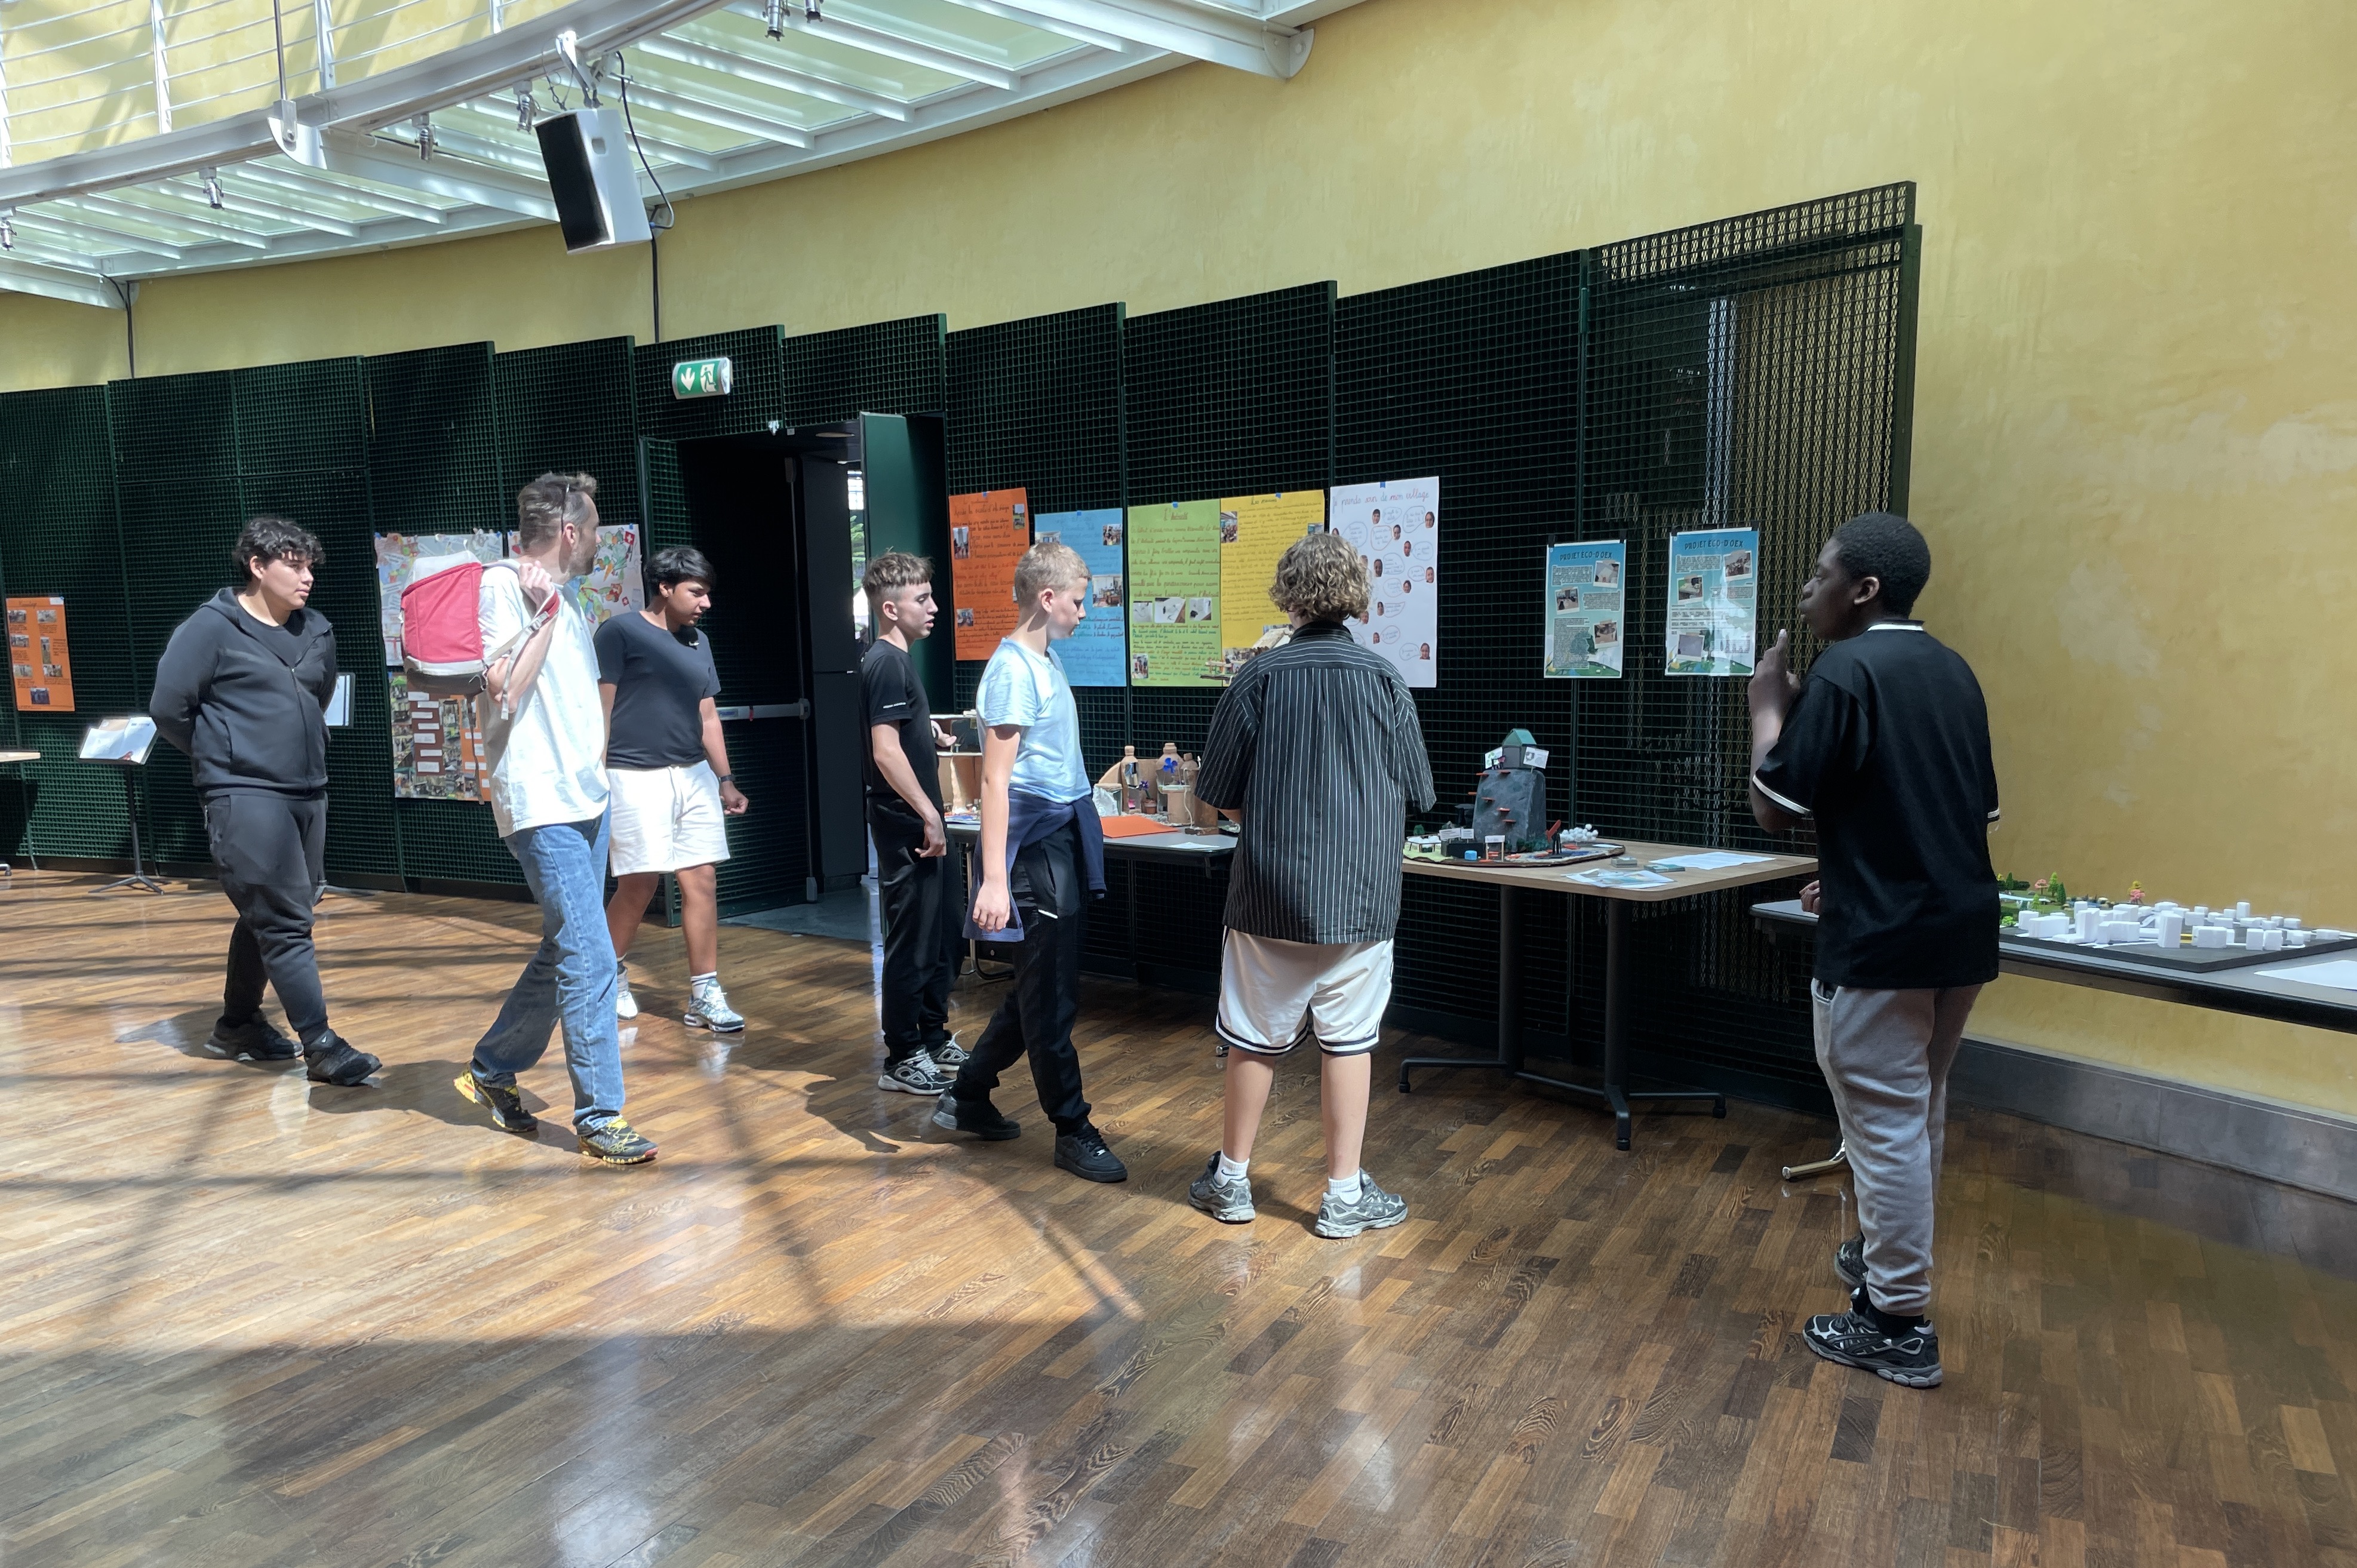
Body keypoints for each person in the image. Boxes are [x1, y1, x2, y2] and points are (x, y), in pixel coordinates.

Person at [1746, 511, 1999, 1389]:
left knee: (1882, 1122)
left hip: (1885, 940)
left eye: (1819, 576)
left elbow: (1773, 806)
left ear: (1863, 590)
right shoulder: (1953, 671)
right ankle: (1884, 1265)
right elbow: (1942, 815)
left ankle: (1895, 1320)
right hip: (1958, 929)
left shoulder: (1845, 670)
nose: (1806, 590)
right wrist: (1845, 876)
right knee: (1914, 1109)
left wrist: (1768, 709)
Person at [1189, 532, 1435, 1237]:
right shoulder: (1384, 678)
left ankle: (1230, 1183)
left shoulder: (1258, 677)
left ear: (1287, 596)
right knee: (1349, 1042)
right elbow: (1416, 790)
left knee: (1252, 1039)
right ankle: (1343, 1196)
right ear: (1355, 592)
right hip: (1360, 898)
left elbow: (1217, 794)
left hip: (1267, 894)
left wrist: (1267, 822)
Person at [453, 472, 656, 1166]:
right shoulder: (501, 587)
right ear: (570, 532)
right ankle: (601, 1115)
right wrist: (539, 613)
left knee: (565, 945)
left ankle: (491, 1066)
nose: (599, 540)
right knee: (592, 954)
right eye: (594, 528)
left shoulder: (564, 602)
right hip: (540, 804)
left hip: (584, 799)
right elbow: (504, 688)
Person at [150, 516, 379, 1087]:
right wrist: (221, 756)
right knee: (285, 920)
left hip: (308, 793)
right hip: (242, 793)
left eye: (310, 567)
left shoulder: (317, 630)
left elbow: (319, 697)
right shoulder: (209, 628)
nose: (307, 578)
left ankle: (238, 1026)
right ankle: (321, 1044)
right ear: (257, 566)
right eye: (294, 565)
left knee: (269, 914)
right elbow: (169, 708)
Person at [931, 540, 1126, 1183]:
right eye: (1076, 601)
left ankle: (966, 1094)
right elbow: (994, 783)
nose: (1082, 612)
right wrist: (992, 880)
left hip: (1062, 835)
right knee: (1051, 997)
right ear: (1048, 599)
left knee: (1039, 987)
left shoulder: (1046, 662)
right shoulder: (1013, 669)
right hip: (1034, 847)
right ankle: (1071, 1127)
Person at [598, 546, 750, 1032]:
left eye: (707, 593)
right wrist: (595, 775)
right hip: (631, 775)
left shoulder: (697, 643)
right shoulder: (619, 632)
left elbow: (707, 716)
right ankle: (606, 976)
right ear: (665, 588)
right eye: (696, 592)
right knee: (640, 884)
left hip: (693, 777)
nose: (706, 602)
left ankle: (704, 993)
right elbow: (600, 708)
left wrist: (725, 779)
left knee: (701, 880)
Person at [860, 550, 966, 1096]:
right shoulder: (885, 663)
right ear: (889, 606)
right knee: (913, 939)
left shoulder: (900, 662)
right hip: (907, 823)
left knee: (945, 930)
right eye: (922, 599)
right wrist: (928, 814)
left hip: (923, 821)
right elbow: (883, 751)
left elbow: (900, 736)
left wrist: (932, 735)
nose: (934, 607)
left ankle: (931, 1034)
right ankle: (902, 1055)